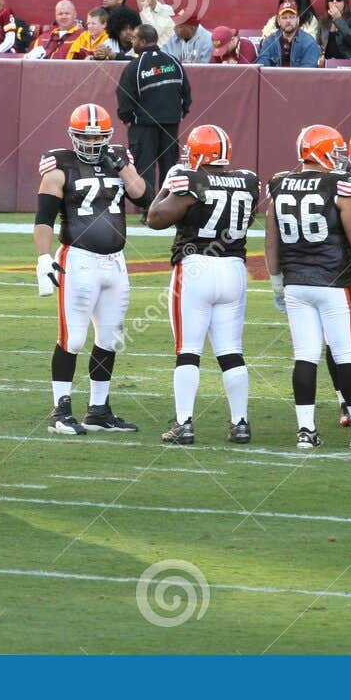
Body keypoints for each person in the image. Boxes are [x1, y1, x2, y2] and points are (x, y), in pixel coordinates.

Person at [265, 125, 351, 450]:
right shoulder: (339, 183)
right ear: (322, 151)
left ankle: (306, 431)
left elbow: (271, 237)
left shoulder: (280, 183)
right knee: (348, 356)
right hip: (334, 282)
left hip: (296, 283)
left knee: (305, 357)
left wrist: (276, 279)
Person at [34, 103, 149, 436]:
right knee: (73, 338)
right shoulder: (59, 165)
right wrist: (43, 257)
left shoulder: (118, 158)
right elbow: (43, 218)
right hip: (79, 259)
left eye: (98, 136)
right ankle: (61, 409)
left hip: (115, 262)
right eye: (85, 136)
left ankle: (99, 410)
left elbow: (143, 196)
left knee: (109, 339)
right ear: (73, 136)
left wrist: (123, 167)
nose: (92, 143)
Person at [145, 125, 260, 446]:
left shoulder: (190, 179)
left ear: (198, 153)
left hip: (196, 268)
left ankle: (184, 424)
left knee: (188, 351)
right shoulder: (249, 180)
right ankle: (240, 423)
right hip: (234, 269)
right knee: (231, 351)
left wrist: (167, 186)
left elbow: (154, 218)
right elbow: (246, 220)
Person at [115, 24, 191, 196]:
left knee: (144, 169)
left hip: (143, 127)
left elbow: (123, 96)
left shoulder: (135, 66)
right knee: (169, 169)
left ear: (142, 41)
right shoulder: (174, 62)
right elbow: (186, 94)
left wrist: (127, 119)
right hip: (170, 126)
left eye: (134, 38)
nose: (132, 41)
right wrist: (178, 115)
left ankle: (148, 209)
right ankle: (167, 208)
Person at [255, 3, 321, 67]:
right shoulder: (270, 41)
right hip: (273, 78)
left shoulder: (309, 43)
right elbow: (261, 65)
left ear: (298, 19)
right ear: (278, 21)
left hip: (298, 78)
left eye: (292, 17)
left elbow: (307, 72)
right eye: (284, 18)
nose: (288, 21)